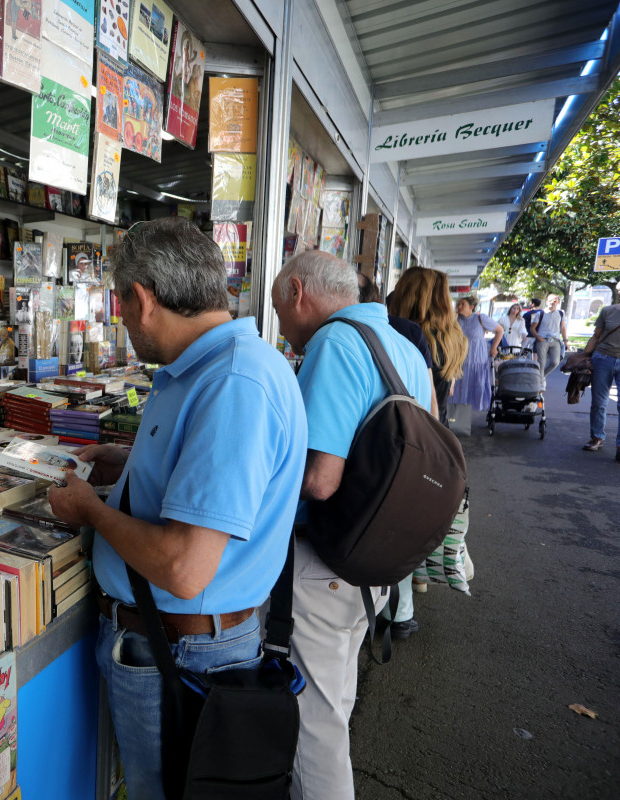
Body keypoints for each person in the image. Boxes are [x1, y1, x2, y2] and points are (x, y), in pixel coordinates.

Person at [47, 217, 307, 800]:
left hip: (180, 653)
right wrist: (131, 461)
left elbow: (185, 569)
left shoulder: (234, 382)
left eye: (120, 305)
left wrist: (91, 511)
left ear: (142, 300)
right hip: (170, 645)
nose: (122, 320)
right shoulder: (208, 368)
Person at [271, 251, 432, 800]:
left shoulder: (336, 345)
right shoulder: (402, 346)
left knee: (311, 726)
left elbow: (318, 480)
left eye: (279, 312)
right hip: (378, 555)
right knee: (334, 702)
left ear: (298, 292)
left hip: (327, 560)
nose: (286, 333)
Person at [357, 272, 431, 638]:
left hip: (384, 445)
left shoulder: (347, 338)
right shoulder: (414, 335)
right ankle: (400, 613)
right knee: (399, 524)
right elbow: (431, 401)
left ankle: (384, 608)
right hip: (418, 440)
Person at [387, 268, 469, 427]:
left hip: (409, 429)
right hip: (439, 427)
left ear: (407, 295)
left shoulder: (412, 337)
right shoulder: (452, 337)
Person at [450, 295, 503, 417]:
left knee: (475, 386)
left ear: (471, 307)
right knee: (458, 389)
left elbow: (500, 330)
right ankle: (458, 418)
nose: (459, 307)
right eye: (458, 304)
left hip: (477, 359)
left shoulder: (480, 318)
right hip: (460, 360)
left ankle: (465, 417)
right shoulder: (456, 319)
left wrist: (494, 347)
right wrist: (452, 320)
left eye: (463, 304)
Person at [582, 302, 620, 460]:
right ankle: (597, 437)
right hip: (603, 357)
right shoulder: (608, 311)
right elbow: (596, 336)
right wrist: (584, 359)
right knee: (599, 401)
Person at [530, 293, 567, 376]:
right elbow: (532, 328)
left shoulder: (561, 313)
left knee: (555, 362)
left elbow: (563, 327)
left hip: (555, 340)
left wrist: (566, 341)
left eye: (555, 300)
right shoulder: (540, 314)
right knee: (542, 363)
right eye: (550, 300)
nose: (553, 302)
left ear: (558, 302)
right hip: (543, 340)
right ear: (547, 302)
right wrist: (539, 338)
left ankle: (541, 377)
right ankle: (541, 383)